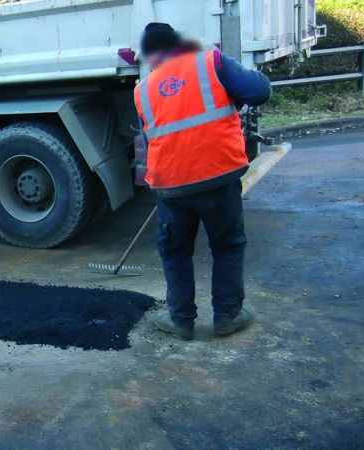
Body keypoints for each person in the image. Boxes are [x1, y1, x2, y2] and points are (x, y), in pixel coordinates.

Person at [133, 23, 272, 340]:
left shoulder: (143, 90)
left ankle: (181, 321)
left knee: (176, 252)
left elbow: (150, 137)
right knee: (227, 246)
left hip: (170, 185)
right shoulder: (212, 62)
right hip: (217, 176)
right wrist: (232, 98)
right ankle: (228, 316)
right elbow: (260, 91)